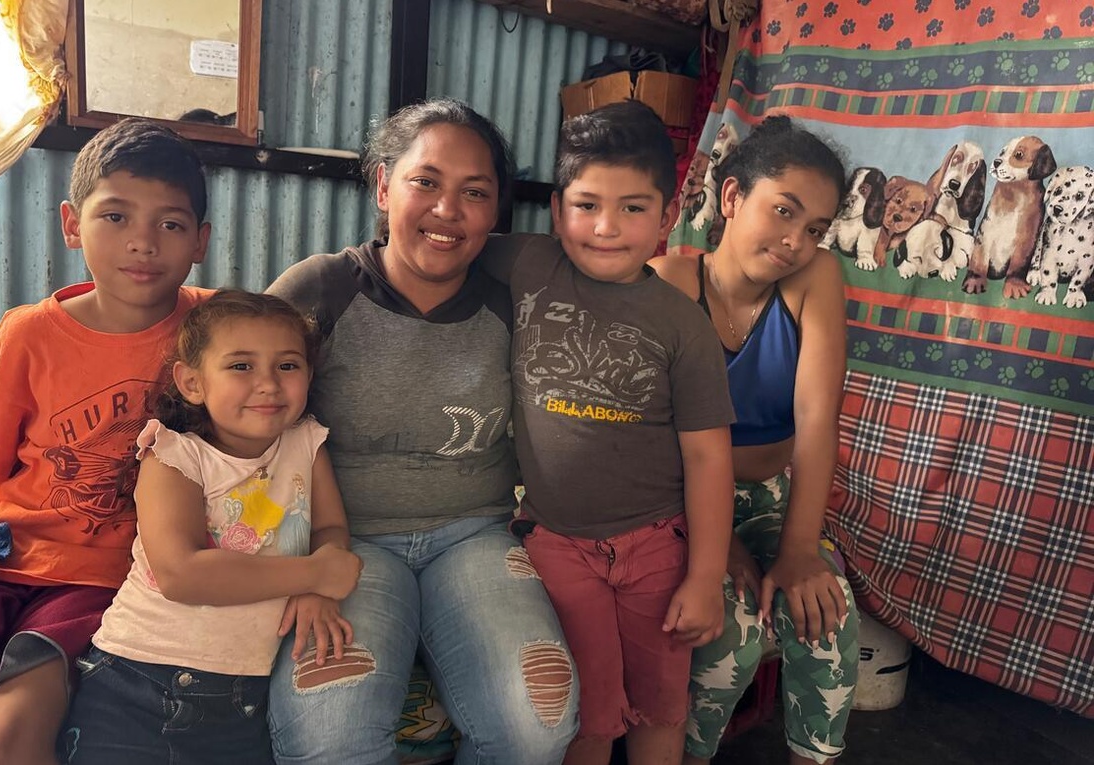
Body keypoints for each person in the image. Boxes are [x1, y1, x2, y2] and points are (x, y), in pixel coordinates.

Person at [265, 98, 578, 765]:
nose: (447, 209)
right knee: (329, 738)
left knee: (538, 721)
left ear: (495, 213)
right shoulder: (320, 290)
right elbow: (240, 416)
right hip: (344, 539)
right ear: (383, 186)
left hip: (475, 535)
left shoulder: (515, 302)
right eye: (426, 182)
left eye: (475, 193)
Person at [0, 118, 212, 765]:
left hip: (102, 578)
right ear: (72, 223)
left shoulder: (216, 331)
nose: (142, 242)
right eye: (116, 216)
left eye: (170, 223)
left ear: (201, 241)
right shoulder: (27, 334)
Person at [477, 100, 736, 765]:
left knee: (659, 704)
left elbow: (709, 456)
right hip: (557, 543)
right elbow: (440, 248)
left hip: (656, 546)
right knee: (584, 713)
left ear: (668, 215)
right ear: (557, 207)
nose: (606, 227)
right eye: (586, 205)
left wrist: (705, 575)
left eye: (632, 207)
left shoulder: (682, 325)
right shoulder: (526, 264)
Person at [62, 290, 363, 765]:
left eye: (287, 366)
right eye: (241, 366)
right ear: (192, 382)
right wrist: (316, 575)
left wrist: (320, 590)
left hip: (246, 698)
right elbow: (183, 574)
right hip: (138, 682)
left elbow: (329, 528)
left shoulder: (306, 441)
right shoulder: (173, 456)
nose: (267, 384)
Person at [651, 114, 861, 765]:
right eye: (784, 211)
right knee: (730, 634)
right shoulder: (667, 284)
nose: (797, 240)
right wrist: (725, 545)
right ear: (733, 196)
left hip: (772, 497)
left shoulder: (814, 281)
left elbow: (817, 419)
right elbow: (647, 441)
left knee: (828, 614)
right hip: (675, 502)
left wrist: (798, 547)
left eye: (816, 228)